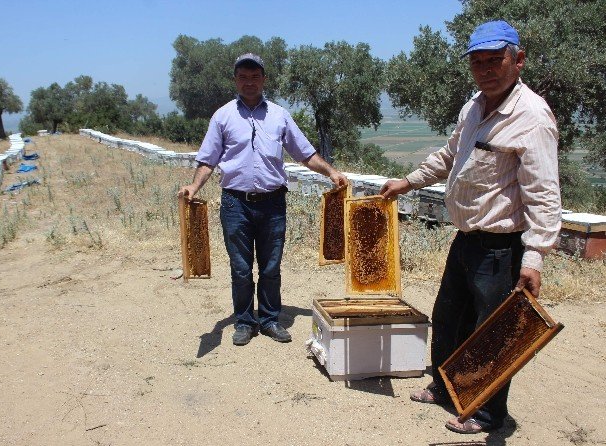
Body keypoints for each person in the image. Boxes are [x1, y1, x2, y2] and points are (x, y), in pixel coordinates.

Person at [380, 20, 561, 434]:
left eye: (494, 60)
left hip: (501, 248)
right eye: (477, 62)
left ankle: (488, 413)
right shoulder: (473, 106)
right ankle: (447, 389)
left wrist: (534, 258)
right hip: (466, 240)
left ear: (518, 60)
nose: (485, 69)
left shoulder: (532, 117)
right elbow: (449, 156)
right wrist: (408, 182)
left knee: (491, 335)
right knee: (449, 319)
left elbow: (544, 195)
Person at [178, 53, 348, 346]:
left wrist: (331, 173)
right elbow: (207, 161)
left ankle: (269, 319)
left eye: (255, 77)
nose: (249, 82)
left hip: (273, 203)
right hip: (235, 203)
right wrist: (194, 187)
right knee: (241, 268)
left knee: (271, 266)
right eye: (243, 77)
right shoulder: (223, 116)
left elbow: (304, 153)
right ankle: (244, 321)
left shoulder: (280, 115)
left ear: (264, 80)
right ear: (236, 80)